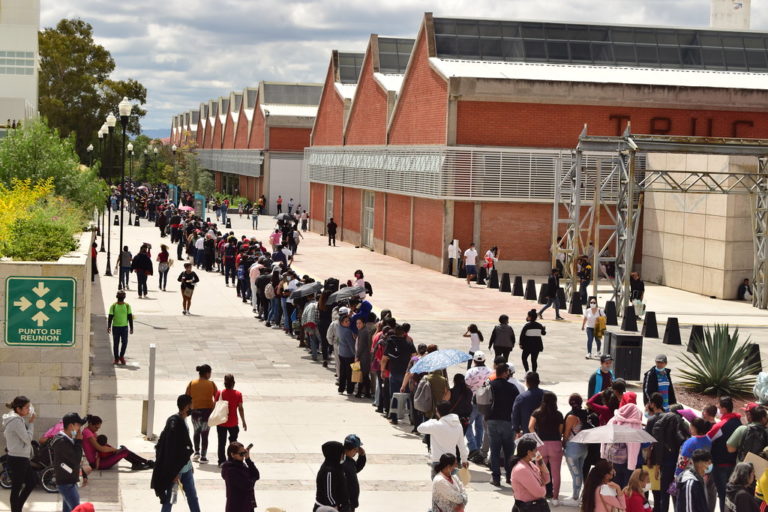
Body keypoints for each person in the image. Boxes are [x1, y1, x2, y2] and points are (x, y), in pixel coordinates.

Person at [151, 394, 200, 512]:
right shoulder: (175, 422)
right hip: (176, 471)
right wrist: (174, 472)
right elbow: (171, 449)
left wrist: (190, 464)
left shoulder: (182, 421)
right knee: (170, 500)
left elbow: (183, 449)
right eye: (191, 405)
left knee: (192, 497)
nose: (192, 407)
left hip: (186, 469)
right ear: (187, 406)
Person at [417, 401, 470, 478]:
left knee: (438, 487)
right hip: (452, 461)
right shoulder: (458, 425)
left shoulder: (435, 425)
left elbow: (419, 428)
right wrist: (464, 460)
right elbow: (461, 444)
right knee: (452, 486)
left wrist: (431, 420)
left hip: (438, 461)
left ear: (437, 411)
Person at [707, 396, 742, 512]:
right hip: (734, 465)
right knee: (731, 495)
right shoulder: (739, 423)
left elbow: (707, 440)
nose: (718, 409)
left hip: (720, 465)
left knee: (722, 495)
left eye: (719, 407)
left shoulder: (720, 425)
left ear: (724, 409)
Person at [529, 390, 564, 504]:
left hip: (541, 445)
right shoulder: (558, 414)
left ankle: (540, 495)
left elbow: (530, 427)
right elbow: (560, 431)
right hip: (555, 444)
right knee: (556, 473)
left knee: (539, 471)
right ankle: (555, 498)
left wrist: (537, 440)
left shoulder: (537, 412)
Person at [82, 414, 152, 470]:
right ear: (90, 424)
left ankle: (138, 464)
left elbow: (103, 445)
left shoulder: (91, 432)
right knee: (124, 452)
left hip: (100, 459)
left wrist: (115, 450)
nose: (97, 430)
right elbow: (101, 448)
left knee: (124, 450)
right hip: (97, 463)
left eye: (98, 428)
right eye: (96, 427)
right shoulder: (87, 433)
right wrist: (116, 450)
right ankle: (145, 462)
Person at [486, 364, 519, 486]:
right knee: (509, 452)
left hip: (492, 421)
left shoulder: (490, 385)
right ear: (505, 373)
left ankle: (496, 478)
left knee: (494, 451)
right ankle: (509, 476)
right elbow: (516, 407)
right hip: (508, 423)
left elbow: (477, 400)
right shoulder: (512, 388)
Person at [2, 396, 36, 512]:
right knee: (17, 487)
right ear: (18, 408)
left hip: (21, 458)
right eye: (26, 407)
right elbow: (27, 439)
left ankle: (17, 508)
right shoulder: (15, 421)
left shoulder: (17, 419)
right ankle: (16, 510)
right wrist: (31, 423)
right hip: (18, 459)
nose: (29, 409)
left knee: (31, 482)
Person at [602, 400, 643, 488]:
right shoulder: (634, 425)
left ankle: (613, 501)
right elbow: (633, 447)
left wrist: (603, 455)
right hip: (625, 462)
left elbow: (604, 438)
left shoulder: (613, 419)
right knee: (624, 487)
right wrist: (631, 466)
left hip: (612, 459)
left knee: (613, 485)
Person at [52, 412, 86, 512]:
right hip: (66, 483)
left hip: (70, 481)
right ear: (71, 426)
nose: (79, 429)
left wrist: (84, 475)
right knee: (77, 509)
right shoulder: (61, 442)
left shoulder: (69, 439)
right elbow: (76, 459)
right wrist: (79, 441)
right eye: (78, 425)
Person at [185, 364, 218, 463]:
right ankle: (203, 456)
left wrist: (189, 409)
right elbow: (217, 398)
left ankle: (196, 453)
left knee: (196, 432)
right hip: (207, 412)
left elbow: (186, 397)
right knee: (205, 434)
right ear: (207, 373)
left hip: (195, 412)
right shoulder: (211, 384)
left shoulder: (191, 383)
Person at [464, 351, 491, 463]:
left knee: (468, 424)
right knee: (480, 425)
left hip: (473, 401)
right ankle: (478, 447)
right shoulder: (490, 371)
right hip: (485, 402)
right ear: (484, 360)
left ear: (474, 361)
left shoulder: (470, 371)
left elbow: (466, 385)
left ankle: (473, 447)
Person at [509, 438, 550, 512]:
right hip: (528, 507)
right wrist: (542, 485)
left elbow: (546, 479)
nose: (537, 452)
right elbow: (540, 493)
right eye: (535, 450)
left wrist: (540, 460)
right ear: (529, 452)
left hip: (533, 505)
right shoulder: (522, 469)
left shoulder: (530, 464)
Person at [563, 394, 589, 506]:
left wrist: (563, 443)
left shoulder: (571, 416)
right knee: (580, 473)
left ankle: (575, 498)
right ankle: (578, 495)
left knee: (576, 474)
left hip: (572, 448)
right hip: (583, 448)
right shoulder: (585, 413)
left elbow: (567, 433)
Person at [215, 374, 247, 467]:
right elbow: (240, 408)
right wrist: (244, 421)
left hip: (221, 422)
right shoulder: (238, 394)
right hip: (233, 423)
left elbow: (215, 406)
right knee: (233, 443)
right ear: (234, 383)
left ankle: (221, 461)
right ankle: (231, 460)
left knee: (221, 442)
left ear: (224, 383)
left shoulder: (219, 393)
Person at [221, 442, 260, 512]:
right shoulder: (230, 470)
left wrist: (248, 459)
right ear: (232, 454)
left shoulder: (241, 465)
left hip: (246, 504)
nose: (243, 456)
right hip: (237, 507)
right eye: (241, 454)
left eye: (244, 452)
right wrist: (253, 479)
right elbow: (248, 485)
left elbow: (256, 475)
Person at [314, 441, 349, 512]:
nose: (343, 456)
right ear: (335, 454)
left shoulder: (336, 466)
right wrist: (334, 506)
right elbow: (329, 493)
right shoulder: (328, 471)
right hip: (327, 508)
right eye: (342, 454)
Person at [107, 290, 134, 365]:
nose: (121, 297)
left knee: (124, 342)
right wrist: (109, 326)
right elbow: (110, 317)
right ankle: (116, 358)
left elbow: (130, 317)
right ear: (117, 297)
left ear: (124, 297)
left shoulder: (127, 306)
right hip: (115, 327)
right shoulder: (113, 306)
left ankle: (121, 356)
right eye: (120, 295)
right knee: (116, 344)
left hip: (124, 327)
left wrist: (131, 327)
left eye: (122, 295)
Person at [341, 435, 366, 512]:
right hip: (345, 504)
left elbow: (356, 469)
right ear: (354, 449)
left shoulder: (347, 460)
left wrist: (362, 456)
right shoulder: (344, 462)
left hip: (348, 503)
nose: (356, 452)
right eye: (356, 450)